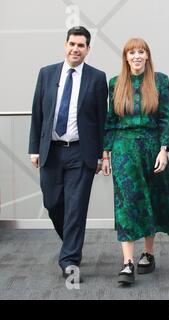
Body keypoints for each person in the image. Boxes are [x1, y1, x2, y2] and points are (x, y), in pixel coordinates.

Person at [28, 26, 108, 283]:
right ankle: (71, 244)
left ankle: (70, 260)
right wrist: (33, 148)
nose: (76, 49)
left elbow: (101, 119)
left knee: (76, 208)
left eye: (81, 45)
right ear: (65, 45)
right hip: (50, 151)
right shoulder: (47, 73)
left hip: (80, 153)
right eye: (72, 44)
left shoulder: (97, 78)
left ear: (88, 49)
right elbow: (38, 113)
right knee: (52, 203)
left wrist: (100, 155)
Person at [102, 38, 169, 285]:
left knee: (151, 199)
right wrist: (106, 153)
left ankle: (148, 253)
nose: (137, 56)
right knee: (127, 203)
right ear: (125, 58)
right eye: (132, 52)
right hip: (123, 149)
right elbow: (110, 121)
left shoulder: (160, 81)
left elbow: (165, 117)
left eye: (141, 51)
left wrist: (164, 150)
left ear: (148, 56)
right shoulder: (115, 84)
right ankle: (127, 263)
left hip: (151, 147)